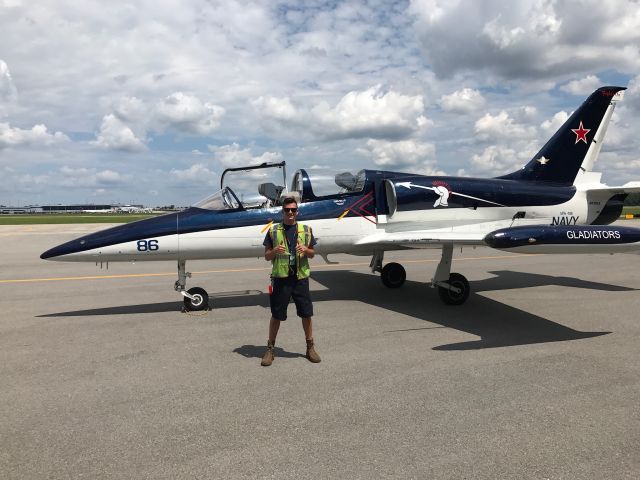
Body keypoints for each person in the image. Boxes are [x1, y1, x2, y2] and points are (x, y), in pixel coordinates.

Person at [261, 196, 320, 367]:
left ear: (297, 211)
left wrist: (305, 249)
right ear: (283, 211)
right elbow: (266, 256)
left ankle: (310, 347)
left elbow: (312, 254)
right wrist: (275, 252)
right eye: (287, 210)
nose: (290, 213)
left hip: (300, 278)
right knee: (276, 315)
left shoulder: (306, 230)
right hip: (281, 279)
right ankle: (270, 349)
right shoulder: (273, 231)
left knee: (306, 314)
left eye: (293, 209)